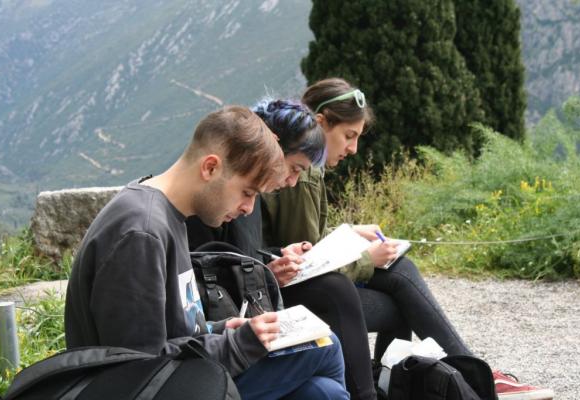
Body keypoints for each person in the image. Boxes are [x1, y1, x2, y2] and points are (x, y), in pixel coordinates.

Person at [260, 78, 555, 400]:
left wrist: (352, 232)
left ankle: (439, 377)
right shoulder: (302, 175)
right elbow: (307, 261)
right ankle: (465, 377)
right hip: (300, 295)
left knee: (401, 271)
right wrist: (366, 259)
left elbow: (307, 238)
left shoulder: (306, 170)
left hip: (306, 287)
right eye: (349, 136)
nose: (353, 149)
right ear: (321, 123)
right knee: (402, 295)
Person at [65, 106, 350, 400]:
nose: (248, 209)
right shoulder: (141, 232)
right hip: (161, 388)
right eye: (248, 192)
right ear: (210, 168)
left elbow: (174, 332)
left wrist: (221, 329)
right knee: (326, 346)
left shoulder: (169, 217)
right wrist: (236, 345)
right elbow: (140, 371)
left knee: (321, 392)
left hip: (185, 376)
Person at [186, 99, 379, 400]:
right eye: (294, 169)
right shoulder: (204, 209)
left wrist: (272, 261)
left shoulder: (239, 203)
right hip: (219, 352)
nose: (291, 182)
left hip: (235, 330)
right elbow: (206, 280)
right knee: (328, 341)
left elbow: (240, 258)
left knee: (325, 391)